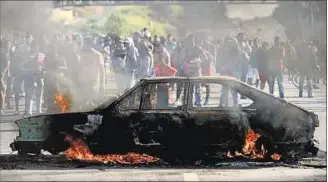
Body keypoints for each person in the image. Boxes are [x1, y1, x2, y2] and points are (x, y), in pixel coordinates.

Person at [21, 41, 45, 115]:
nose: (35, 48)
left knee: (39, 95)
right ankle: (29, 112)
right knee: (29, 95)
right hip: (29, 78)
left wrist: (43, 71)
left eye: (36, 46)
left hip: (39, 78)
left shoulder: (42, 55)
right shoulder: (26, 56)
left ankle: (38, 110)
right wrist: (30, 70)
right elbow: (22, 66)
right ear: (31, 47)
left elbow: (45, 66)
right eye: (33, 46)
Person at [79, 37, 105, 104]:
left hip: (94, 81)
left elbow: (102, 70)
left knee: (94, 102)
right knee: (85, 101)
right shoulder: (82, 54)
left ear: (90, 44)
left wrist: (102, 84)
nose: (84, 45)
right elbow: (81, 67)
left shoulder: (97, 55)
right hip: (84, 80)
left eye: (86, 44)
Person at [0, 39, 11, 115]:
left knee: (2, 91)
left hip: (2, 74)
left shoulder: (4, 54)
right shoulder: (3, 53)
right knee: (2, 91)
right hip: (3, 74)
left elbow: (7, 65)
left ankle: (1, 108)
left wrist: (2, 73)